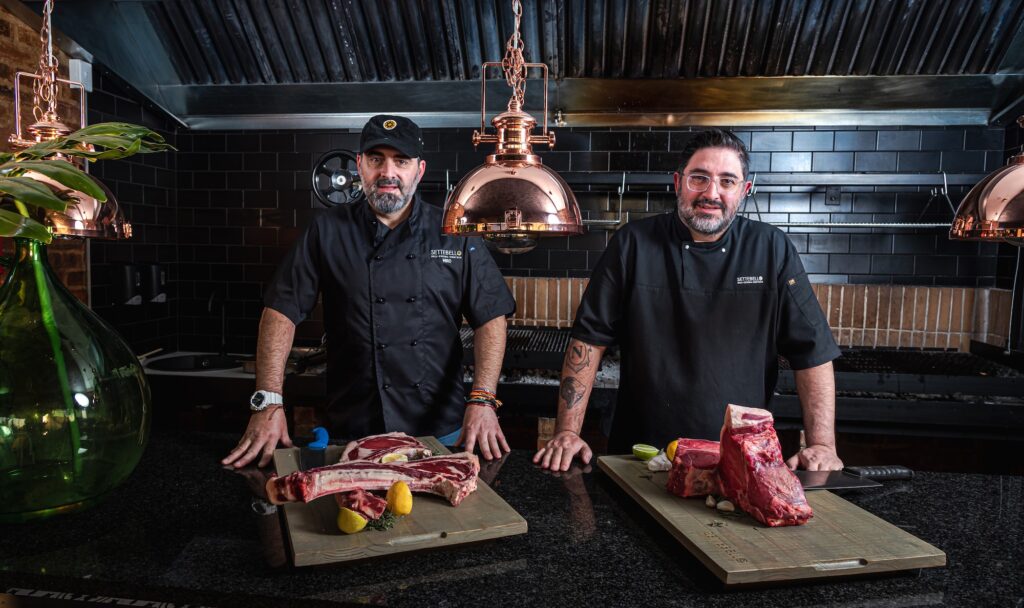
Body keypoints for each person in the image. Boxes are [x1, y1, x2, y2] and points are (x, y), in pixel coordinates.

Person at [533, 128, 843, 472]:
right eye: (699, 178)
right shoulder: (632, 244)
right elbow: (588, 341)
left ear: (744, 191)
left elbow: (812, 351)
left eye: (727, 181)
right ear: (678, 182)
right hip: (641, 456)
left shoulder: (772, 249)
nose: (711, 193)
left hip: (741, 461)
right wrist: (567, 432)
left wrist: (822, 444)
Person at [223, 115, 515, 469]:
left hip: (441, 431)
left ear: (419, 170)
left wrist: (483, 399)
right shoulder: (327, 231)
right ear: (359, 165)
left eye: (401, 161)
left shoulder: (454, 231)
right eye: (377, 159)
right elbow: (280, 311)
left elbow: (491, 316)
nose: (387, 172)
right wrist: (268, 401)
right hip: (353, 430)